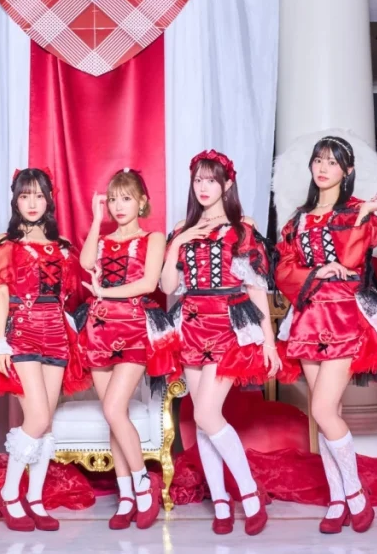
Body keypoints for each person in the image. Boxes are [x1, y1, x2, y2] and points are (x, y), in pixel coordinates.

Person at [275, 135, 377, 534]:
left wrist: (371, 213)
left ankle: (354, 493)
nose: (323, 168)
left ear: (347, 170)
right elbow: (283, 268)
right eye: (318, 160)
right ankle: (338, 499)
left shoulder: (358, 210)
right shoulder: (297, 219)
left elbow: (355, 260)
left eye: (333, 162)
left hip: (341, 316)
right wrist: (315, 271)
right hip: (307, 316)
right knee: (326, 414)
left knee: (323, 409)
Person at [160, 150, 279, 537]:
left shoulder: (242, 229)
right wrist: (179, 242)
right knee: (200, 416)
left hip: (228, 322)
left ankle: (249, 494)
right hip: (191, 323)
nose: (204, 187)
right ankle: (221, 501)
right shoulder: (182, 228)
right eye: (198, 179)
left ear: (227, 185)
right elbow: (168, 287)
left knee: (208, 414)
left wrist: (269, 342)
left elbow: (256, 288)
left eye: (211, 180)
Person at [0, 168, 82, 532]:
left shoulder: (62, 247)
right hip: (22, 332)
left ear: (49, 201)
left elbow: (66, 294)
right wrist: (0, 341)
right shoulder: (5, 244)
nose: (32, 203)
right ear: (15, 200)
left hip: (56, 333)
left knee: (46, 426)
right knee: (38, 418)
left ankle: (35, 499)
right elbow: (0, 294)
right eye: (25, 195)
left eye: (38, 195)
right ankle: (10, 494)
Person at [75, 168, 178, 530]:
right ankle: (126, 497)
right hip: (99, 329)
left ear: (142, 202)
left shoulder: (153, 238)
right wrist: (95, 220)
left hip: (133, 327)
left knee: (113, 408)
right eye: (114, 199)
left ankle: (143, 486)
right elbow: (86, 263)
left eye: (127, 199)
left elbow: (149, 284)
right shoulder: (103, 240)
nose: (119, 206)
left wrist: (104, 291)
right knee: (113, 415)